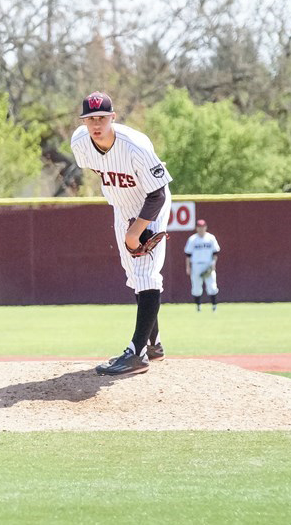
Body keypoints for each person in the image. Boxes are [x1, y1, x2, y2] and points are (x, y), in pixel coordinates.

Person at [69, 91, 173, 376]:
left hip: (150, 206)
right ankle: (154, 344)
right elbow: (98, 169)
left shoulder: (135, 146)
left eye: (102, 117)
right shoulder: (80, 143)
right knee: (135, 275)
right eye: (90, 119)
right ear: (83, 122)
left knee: (146, 274)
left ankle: (137, 353)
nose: (96, 124)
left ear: (113, 117)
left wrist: (136, 231)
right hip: (121, 207)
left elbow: (158, 194)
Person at [185, 219, 221, 311]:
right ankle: (198, 307)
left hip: (208, 264)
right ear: (197, 228)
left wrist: (213, 264)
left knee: (212, 286)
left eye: (203, 227)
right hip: (196, 265)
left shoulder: (211, 238)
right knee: (196, 287)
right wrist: (188, 267)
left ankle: (214, 306)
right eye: (199, 227)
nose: (201, 229)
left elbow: (215, 253)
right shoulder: (192, 239)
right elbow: (188, 255)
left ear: (206, 227)